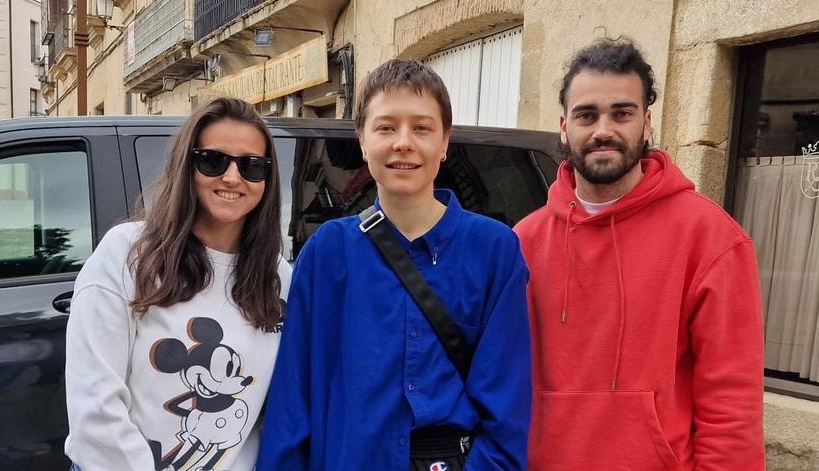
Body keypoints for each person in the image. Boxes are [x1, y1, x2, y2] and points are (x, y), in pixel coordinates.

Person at [257, 59, 531, 471]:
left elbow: (506, 409)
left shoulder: (493, 250)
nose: (404, 142)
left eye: (422, 128)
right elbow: (293, 400)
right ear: (363, 141)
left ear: (444, 142)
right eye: (386, 127)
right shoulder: (327, 253)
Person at [513, 38, 765, 470]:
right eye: (586, 115)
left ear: (646, 123)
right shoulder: (524, 241)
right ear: (563, 126)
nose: (603, 130)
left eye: (622, 113)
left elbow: (731, 405)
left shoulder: (711, 238)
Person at [64, 97, 292, 471]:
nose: (233, 178)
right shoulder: (128, 254)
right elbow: (95, 408)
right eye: (213, 161)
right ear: (187, 166)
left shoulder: (278, 277)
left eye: (252, 166)